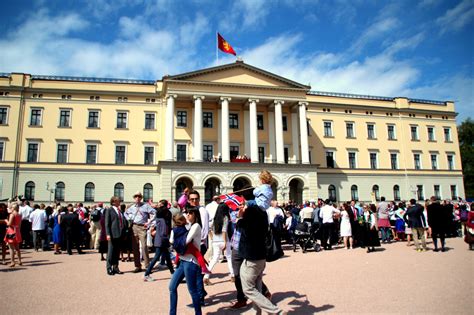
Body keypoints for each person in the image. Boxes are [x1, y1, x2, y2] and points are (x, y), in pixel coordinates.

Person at [237, 199, 285, 314]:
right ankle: (256, 313)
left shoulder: (249, 218)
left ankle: (276, 311)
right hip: (261, 257)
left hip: (251, 258)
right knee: (257, 288)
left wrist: (240, 217)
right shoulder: (263, 215)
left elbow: (242, 229)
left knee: (248, 289)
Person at [169, 208, 203, 315]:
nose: (187, 215)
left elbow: (186, 240)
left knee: (192, 290)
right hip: (183, 261)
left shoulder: (196, 226)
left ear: (195, 215)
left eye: (190, 213)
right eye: (187, 213)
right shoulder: (187, 226)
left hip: (191, 262)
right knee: (172, 287)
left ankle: (198, 313)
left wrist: (174, 233)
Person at [124, 191, 156, 273]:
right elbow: (125, 213)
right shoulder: (132, 207)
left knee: (144, 246)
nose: (137, 198)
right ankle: (138, 266)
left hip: (142, 227)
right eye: (136, 196)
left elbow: (155, 213)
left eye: (139, 196)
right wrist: (129, 218)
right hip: (134, 227)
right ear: (134, 198)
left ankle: (147, 266)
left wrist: (149, 222)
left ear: (141, 198)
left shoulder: (146, 206)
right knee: (135, 247)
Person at [204, 203, 234, 285]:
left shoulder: (215, 218)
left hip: (215, 241)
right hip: (224, 240)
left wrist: (212, 237)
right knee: (229, 257)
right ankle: (233, 275)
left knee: (214, 259)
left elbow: (209, 229)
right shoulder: (225, 217)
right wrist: (225, 242)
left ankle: (206, 276)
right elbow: (224, 230)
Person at [144, 207, 174, 282]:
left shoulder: (158, 219)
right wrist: (168, 241)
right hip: (162, 242)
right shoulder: (163, 221)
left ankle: (173, 273)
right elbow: (163, 233)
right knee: (157, 257)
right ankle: (146, 274)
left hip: (159, 241)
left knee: (167, 258)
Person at [105, 196, 125, 276]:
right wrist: (108, 234)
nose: (119, 201)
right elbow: (107, 223)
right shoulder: (109, 210)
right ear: (113, 202)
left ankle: (116, 267)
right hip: (112, 234)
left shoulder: (119, 210)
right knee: (110, 252)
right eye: (118, 200)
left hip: (119, 234)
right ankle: (109, 267)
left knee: (117, 252)